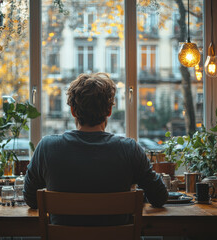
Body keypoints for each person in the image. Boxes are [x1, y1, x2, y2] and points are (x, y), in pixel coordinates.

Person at [23, 72, 168, 226]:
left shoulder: (47, 147)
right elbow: (159, 198)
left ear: (72, 111)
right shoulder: (130, 149)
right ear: (109, 111)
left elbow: (31, 200)